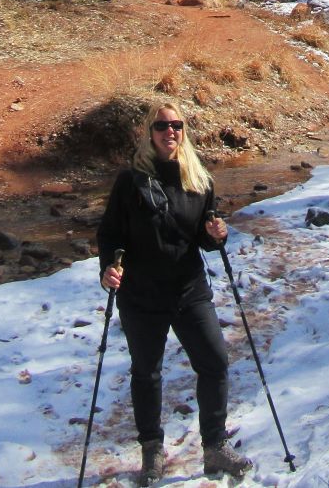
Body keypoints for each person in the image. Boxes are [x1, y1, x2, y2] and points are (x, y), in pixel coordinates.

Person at [97, 98, 252, 485]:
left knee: (214, 362)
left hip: (188, 290)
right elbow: (110, 234)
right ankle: (152, 451)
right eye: (163, 126)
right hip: (142, 295)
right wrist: (108, 268)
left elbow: (205, 236)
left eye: (177, 126)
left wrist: (218, 236)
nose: (171, 133)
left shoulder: (199, 180)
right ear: (149, 134)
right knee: (146, 373)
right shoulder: (130, 181)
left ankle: (215, 447)